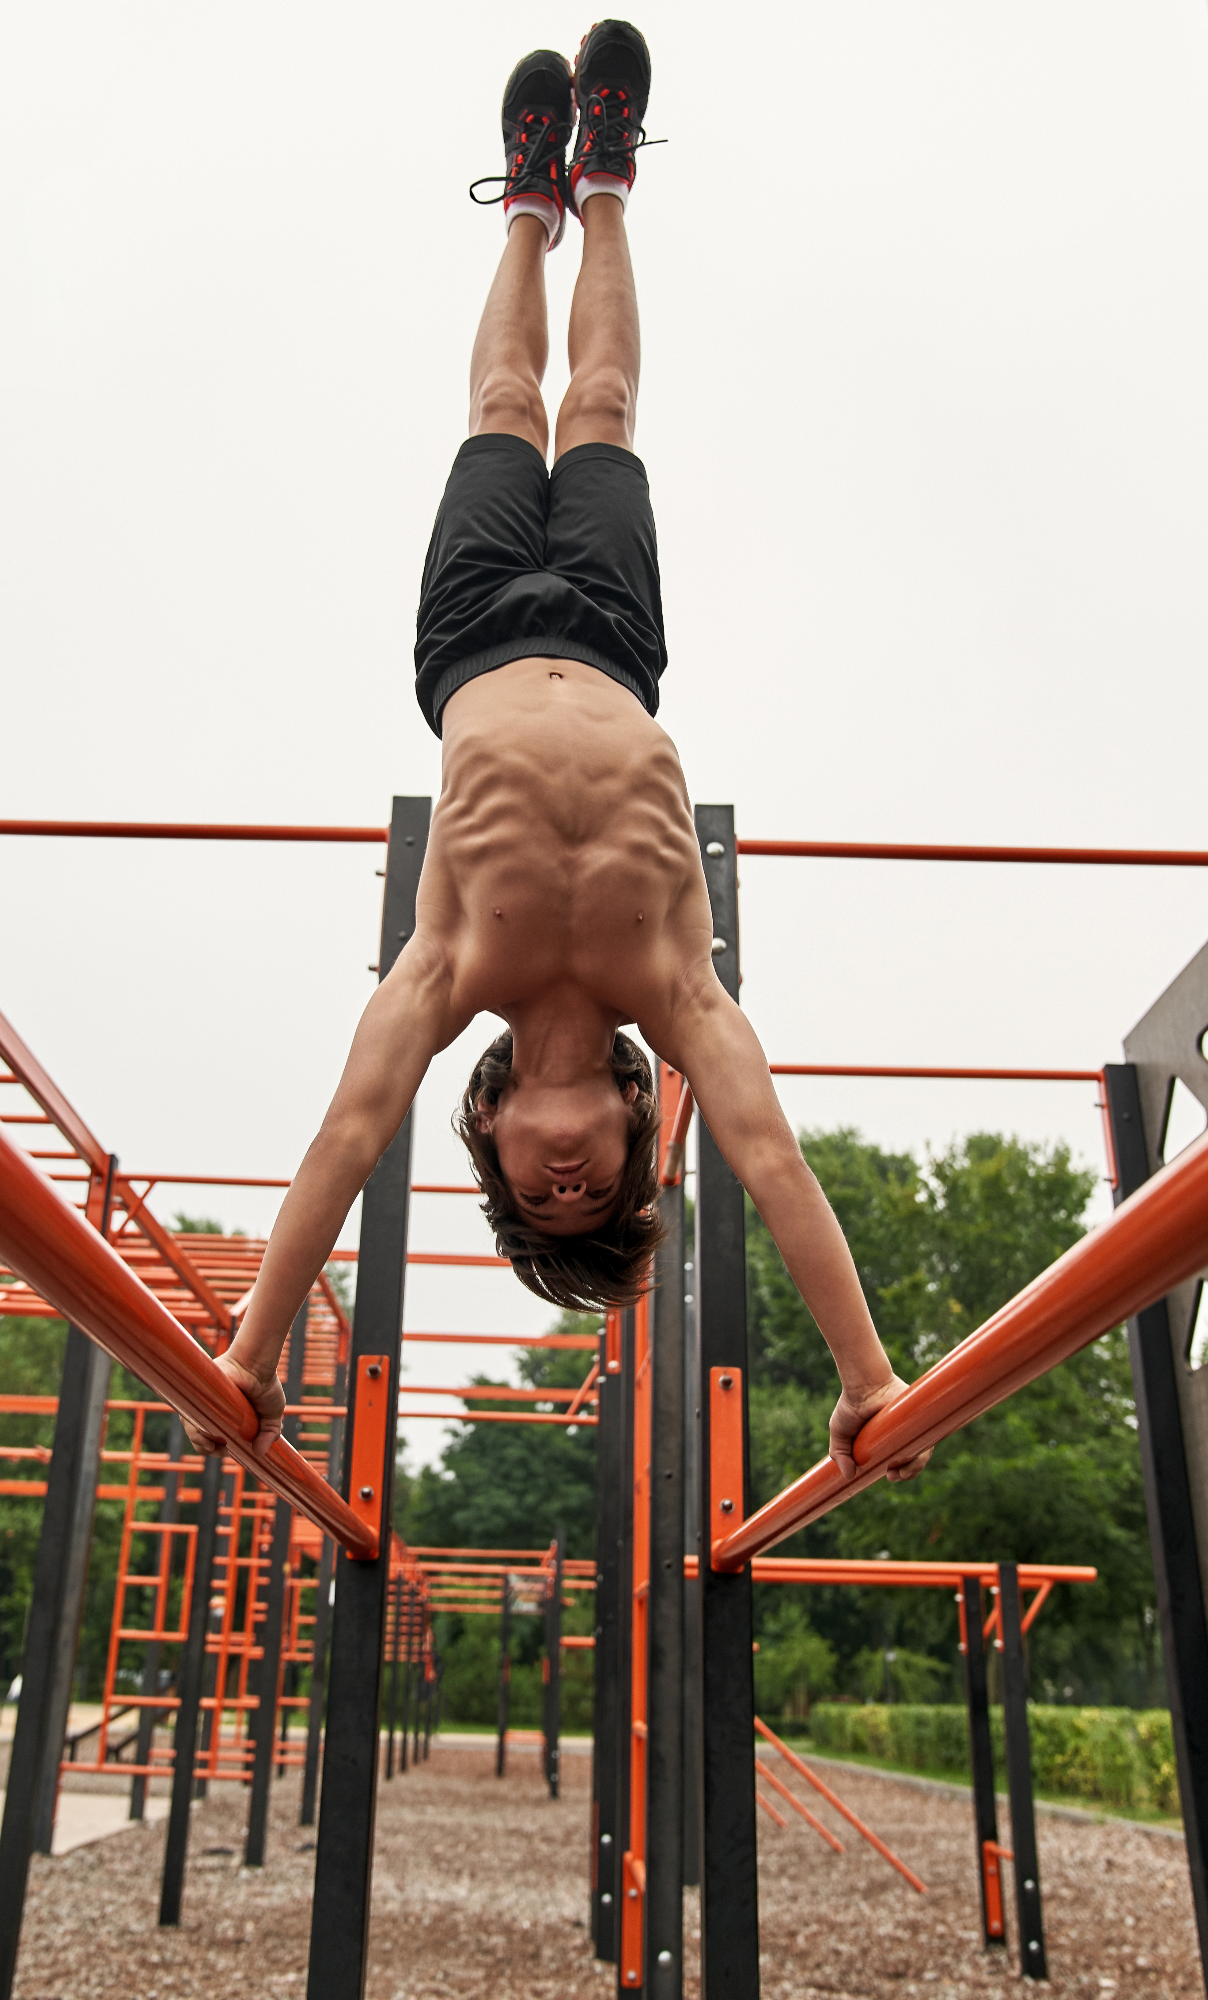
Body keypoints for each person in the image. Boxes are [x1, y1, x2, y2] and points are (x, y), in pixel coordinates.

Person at [184, 23, 930, 1487]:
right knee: (600, 412)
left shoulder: (448, 977)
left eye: (541, 1196)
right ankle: (602, 185)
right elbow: (772, 1162)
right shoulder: (681, 994)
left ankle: (526, 207)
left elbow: (343, 1136)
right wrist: (864, 1374)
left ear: (496, 1122)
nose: (570, 1187)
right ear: (639, 1118)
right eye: (595, 1202)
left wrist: (249, 1358)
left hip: (468, 647)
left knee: (501, 411)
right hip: (612, 647)